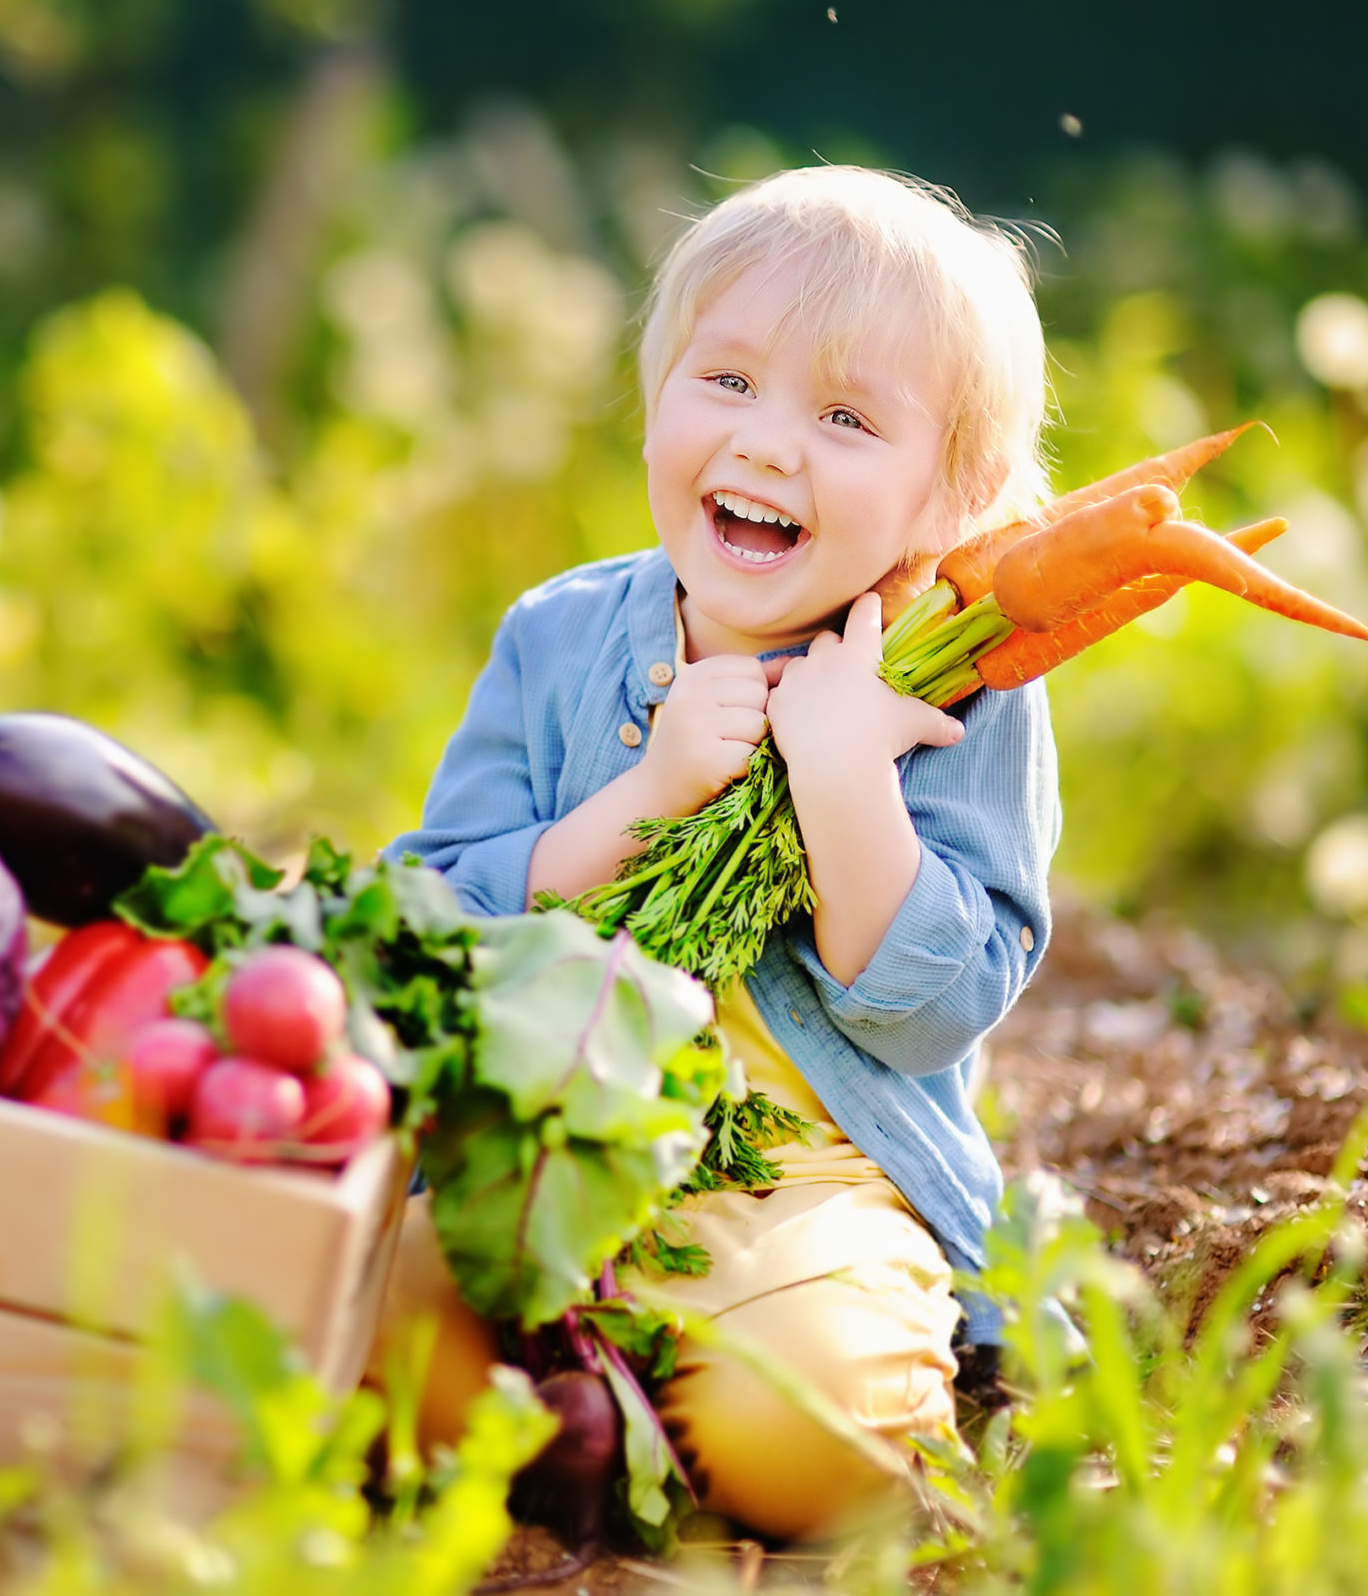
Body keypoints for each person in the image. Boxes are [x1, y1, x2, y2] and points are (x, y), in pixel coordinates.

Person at [378, 165, 1060, 1541]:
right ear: (654, 402)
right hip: (547, 1148)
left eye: (848, 417)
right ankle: (603, 1409)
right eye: (728, 381)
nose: (768, 445)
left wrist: (844, 776)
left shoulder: (973, 683)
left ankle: (635, 1414)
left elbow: (933, 1012)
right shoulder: (559, 636)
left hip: (803, 1178)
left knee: (810, 1435)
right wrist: (647, 792)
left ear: (956, 495)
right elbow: (436, 922)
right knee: (369, 1330)